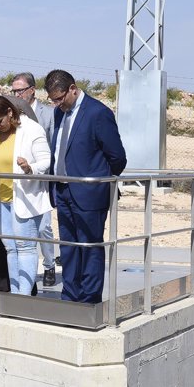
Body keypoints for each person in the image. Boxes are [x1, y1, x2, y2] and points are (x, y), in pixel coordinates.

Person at [45, 69, 127, 304]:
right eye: (53, 100)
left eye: (60, 98)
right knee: (69, 247)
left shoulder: (97, 113)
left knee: (90, 247)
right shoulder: (60, 113)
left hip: (89, 193)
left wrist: (97, 181)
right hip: (63, 190)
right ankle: (70, 295)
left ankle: (89, 299)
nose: (57, 104)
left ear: (73, 89)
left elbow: (118, 157)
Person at [0, 96, 52, 295]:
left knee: (25, 247)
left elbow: (46, 160)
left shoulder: (32, 129)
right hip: (1, 199)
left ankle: (24, 296)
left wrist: (29, 167)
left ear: (10, 112)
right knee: (10, 248)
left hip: (24, 199)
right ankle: (15, 294)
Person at [12, 72, 57, 287]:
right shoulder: (13, 113)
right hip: (19, 179)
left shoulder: (47, 114)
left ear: (32, 89)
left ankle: (49, 265)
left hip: (42, 178)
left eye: (20, 90)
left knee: (44, 227)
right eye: (14, 91)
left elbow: (52, 146)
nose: (17, 94)